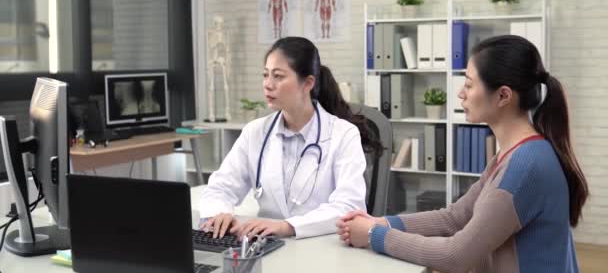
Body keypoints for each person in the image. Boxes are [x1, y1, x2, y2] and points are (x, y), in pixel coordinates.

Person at [337, 35, 589, 272]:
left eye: (469, 84)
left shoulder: (525, 167)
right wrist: (382, 222)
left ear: (503, 96)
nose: (460, 93)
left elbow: (456, 256)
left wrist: (373, 235)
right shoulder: (516, 154)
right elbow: (455, 217)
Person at [198, 37, 382, 240]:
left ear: (308, 83)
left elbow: (349, 206)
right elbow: (220, 188)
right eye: (265, 75)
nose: (268, 85)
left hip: (322, 247)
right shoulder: (255, 132)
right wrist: (219, 214)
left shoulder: (343, 134)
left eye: (278, 76)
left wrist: (287, 226)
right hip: (264, 245)